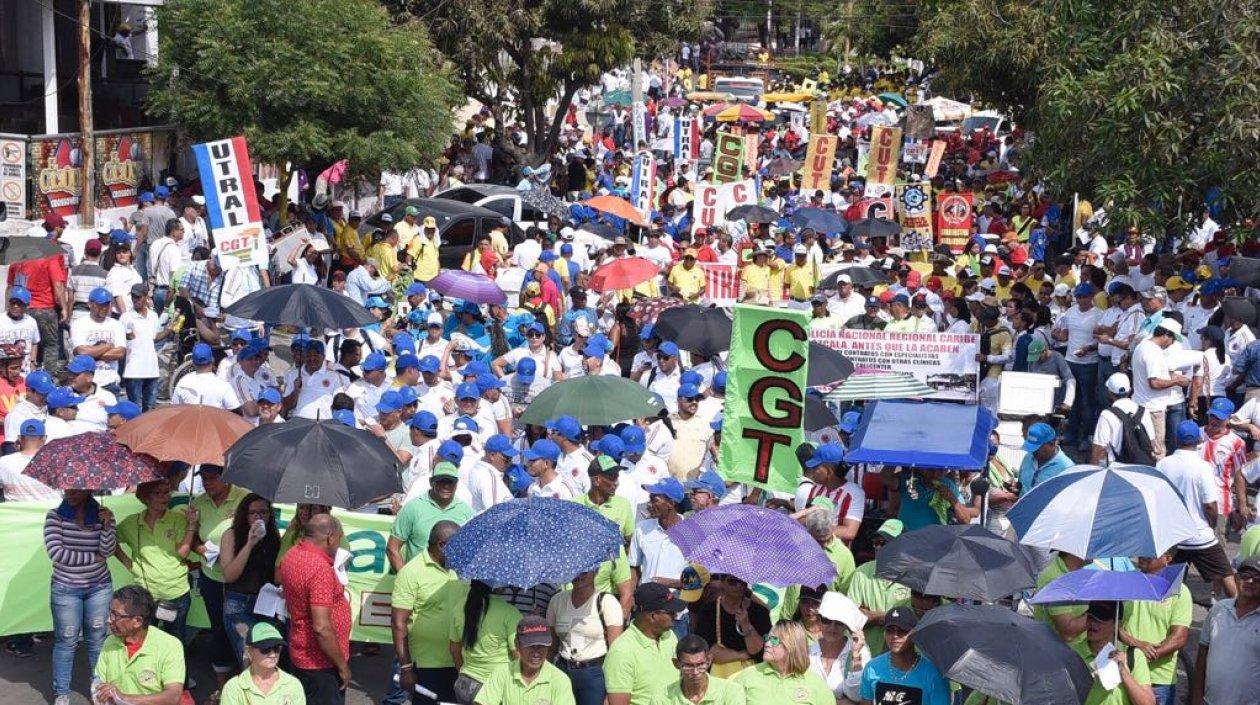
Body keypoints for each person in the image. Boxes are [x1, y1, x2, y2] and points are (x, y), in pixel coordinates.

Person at [44, 487, 116, 704]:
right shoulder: (54, 516)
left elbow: (108, 550)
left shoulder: (103, 514)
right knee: (66, 640)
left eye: (75, 490)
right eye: (67, 489)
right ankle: (62, 693)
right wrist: (94, 558)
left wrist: (108, 526)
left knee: (97, 640)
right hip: (66, 589)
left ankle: (98, 691)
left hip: (100, 587)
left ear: (88, 490)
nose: (69, 494)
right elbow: (57, 553)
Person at [1157, 421, 1238, 599]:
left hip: (1174, 536)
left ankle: (1164, 618)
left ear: (1176, 439)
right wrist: (1211, 524)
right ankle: (1243, 612)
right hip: (1200, 535)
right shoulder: (1203, 467)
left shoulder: (1163, 464)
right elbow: (1210, 505)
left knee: (1167, 586)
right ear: (1198, 440)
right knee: (1226, 575)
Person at [277, 513, 352, 705]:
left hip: (301, 650)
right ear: (330, 537)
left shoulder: (292, 554)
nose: (339, 543)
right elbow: (322, 628)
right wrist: (342, 666)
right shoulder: (319, 569)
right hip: (321, 662)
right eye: (339, 537)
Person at [114, 479, 196, 641]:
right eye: (158, 493)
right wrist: (128, 564)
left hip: (175, 593)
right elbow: (110, 541)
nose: (164, 497)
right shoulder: (131, 523)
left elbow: (183, 552)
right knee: (144, 641)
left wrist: (192, 524)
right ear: (144, 498)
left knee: (175, 641)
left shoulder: (178, 519)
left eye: (167, 492)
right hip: (145, 595)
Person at [392, 520, 463, 705]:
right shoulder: (411, 573)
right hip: (426, 667)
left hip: (460, 663)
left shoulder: (461, 569)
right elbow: (399, 623)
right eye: (458, 545)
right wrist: (406, 668)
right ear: (442, 545)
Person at [93, 585, 186, 705]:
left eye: (116, 615)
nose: (109, 620)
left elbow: (173, 696)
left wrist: (122, 698)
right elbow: (98, 685)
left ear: (137, 621)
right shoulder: (110, 642)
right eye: (110, 613)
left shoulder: (170, 646)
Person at [218, 493, 282, 668]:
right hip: (239, 604)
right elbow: (230, 575)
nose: (258, 517)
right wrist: (250, 544)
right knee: (250, 659)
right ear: (244, 515)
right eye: (253, 513)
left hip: (266, 604)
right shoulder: (231, 535)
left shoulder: (274, 537)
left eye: (263, 512)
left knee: (269, 658)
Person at [1120, 552, 1191, 705]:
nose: (1143, 554)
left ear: (1168, 558)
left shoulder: (1180, 591)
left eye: (1151, 553)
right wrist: (1137, 646)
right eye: (1143, 549)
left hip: (1158, 681)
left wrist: (1140, 659)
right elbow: (1114, 627)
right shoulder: (1126, 584)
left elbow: (1179, 638)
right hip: (1125, 674)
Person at [546, 567, 623, 705]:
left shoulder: (607, 602)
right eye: (575, 570)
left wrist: (612, 691)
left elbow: (616, 652)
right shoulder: (556, 601)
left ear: (596, 571)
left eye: (585, 571)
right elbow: (551, 646)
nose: (578, 575)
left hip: (594, 673)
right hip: (562, 669)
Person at [1192, 557, 1260, 705]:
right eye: (1245, 576)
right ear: (1236, 579)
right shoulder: (1218, 609)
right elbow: (1203, 654)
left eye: (1257, 578)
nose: (1250, 581)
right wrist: (1197, 696)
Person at [604, 583, 682, 705]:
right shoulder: (621, 652)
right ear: (653, 616)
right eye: (671, 612)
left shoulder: (670, 636)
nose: (676, 615)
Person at [448, 579, 523, 704]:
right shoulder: (509, 612)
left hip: (465, 684)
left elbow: (454, 648)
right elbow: (518, 654)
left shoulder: (460, 607)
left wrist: (462, 671)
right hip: (496, 688)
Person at [473, 615, 575, 705]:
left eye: (541, 646)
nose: (536, 653)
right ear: (517, 645)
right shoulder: (502, 673)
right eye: (530, 646)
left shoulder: (560, 680)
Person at [858, 607, 950, 705]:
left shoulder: (933, 673)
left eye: (902, 630)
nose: (895, 636)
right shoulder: (872, 668)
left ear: (914, 633)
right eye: (889, 630)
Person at [730, 621, 832, 704]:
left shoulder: (816, 683)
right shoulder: (747, 677)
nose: (767, 644)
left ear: (792, 646)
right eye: (767, 638)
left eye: (774, 640)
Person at [691, 572, 771, 677]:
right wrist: (742, 655)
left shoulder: (760, 612)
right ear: (722, 582)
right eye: (732, 581)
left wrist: (746, 625)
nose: (738, 586)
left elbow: (759, 651)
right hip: (719, 677)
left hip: (753, 676)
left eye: (742, 581)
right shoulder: (709, 611)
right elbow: (707, 652)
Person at [1083, 601, 1155, 705]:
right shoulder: (1073, 652)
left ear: (1117, 623)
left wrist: (1123, 672)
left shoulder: (1133, 656)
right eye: (1090, 617)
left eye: (1101, 619)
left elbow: (1148, 703)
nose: (1093, 624)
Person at [220, 623, 306, 705]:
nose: (272, 655)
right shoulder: (234, 688)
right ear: (249, 652)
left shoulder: (293, 685)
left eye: (276, 649)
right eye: (265, 649)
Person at [650, 635, 746, 705]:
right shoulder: (661, 699)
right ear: (677, 664)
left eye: (700, 665)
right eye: (688, 666)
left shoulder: (731, 692)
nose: (695, 672)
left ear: (708, 661)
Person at [120, 283, 173, 411]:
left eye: (138, 297)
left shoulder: (153, 316)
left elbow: (154, 337)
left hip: (151, 370)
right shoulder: (125, 317)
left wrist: (168, 331)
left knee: (149, 409)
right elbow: (121, 342)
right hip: (133, 371)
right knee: (135, 409)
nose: (135, 299)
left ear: (146, 298)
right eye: (133, 296)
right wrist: (127, 337)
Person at [811, 592, 869, 703]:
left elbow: (858, 696)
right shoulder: (807, 651)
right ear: (819, 620)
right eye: (827, 620)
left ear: (846, 626)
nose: (832, 627)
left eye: (839, 623)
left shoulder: (860, 651)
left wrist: (856, 655)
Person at [0, 418, 57, 502]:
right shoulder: (57, 461)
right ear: (44, 438)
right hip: (51, 514)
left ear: (19, 438)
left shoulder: (3, 462)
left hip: (17, 514)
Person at [1017, 422, 1073, 492]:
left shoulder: (1066, 468)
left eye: (1037, 448)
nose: (1033, 452)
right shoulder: (1028, 457)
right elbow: (1020, 485)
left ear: (1052, 444)